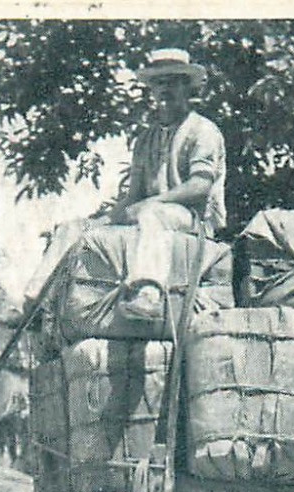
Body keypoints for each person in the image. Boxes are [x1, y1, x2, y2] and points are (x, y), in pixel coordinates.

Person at [22, 48, 227, 320]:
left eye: (173, 82)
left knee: (151, 214)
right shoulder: (146, 139)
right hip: (153, 213)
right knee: (76, 227)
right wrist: (103, 219)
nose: (164, 90)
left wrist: (151, 204)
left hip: (193, 218)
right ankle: (35, 303)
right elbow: (134, 196)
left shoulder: (202, 130)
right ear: (151, 91)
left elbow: (200, 186)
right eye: (158, 83)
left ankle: (148, 293)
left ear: (187, 88)